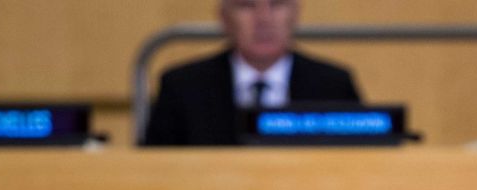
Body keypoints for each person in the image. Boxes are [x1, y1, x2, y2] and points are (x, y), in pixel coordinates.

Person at [143, 0, 362, 146]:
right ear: (224, 18)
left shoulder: (333, 85)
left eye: (276, 4)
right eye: (247, 5)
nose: (264, 19)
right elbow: (152, 172)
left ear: (295, 14)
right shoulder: (183, 88)